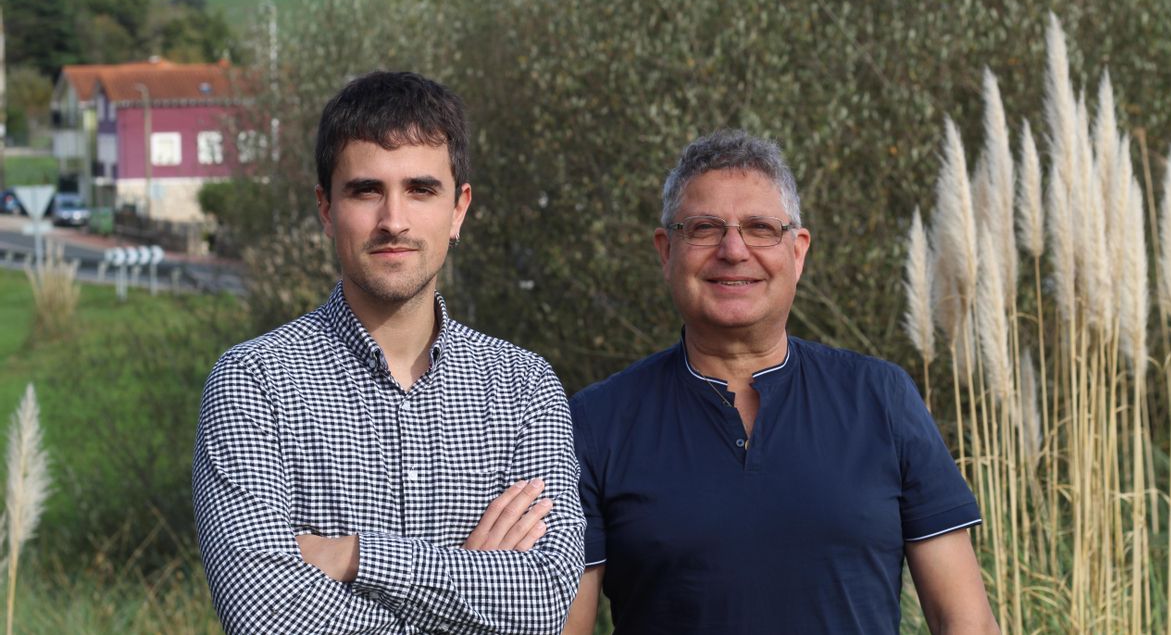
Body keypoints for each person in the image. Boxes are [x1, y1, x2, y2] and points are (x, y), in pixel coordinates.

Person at [193, 71, 584, 634]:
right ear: (326, 209)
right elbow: (264, 614)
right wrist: (472, 587)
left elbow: (544, 601)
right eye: (366, 190)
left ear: (458, 210)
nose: (393, 220)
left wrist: (353, 556)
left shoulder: (523, 386)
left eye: (421, 189)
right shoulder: (253, 383)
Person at [564, 130, 998, 634]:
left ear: (797, 251)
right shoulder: (596, 421)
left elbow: (966, 623)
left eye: (760, 228)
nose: (733, 249)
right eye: (704, 228)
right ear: (666, 252)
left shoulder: (881, 399)